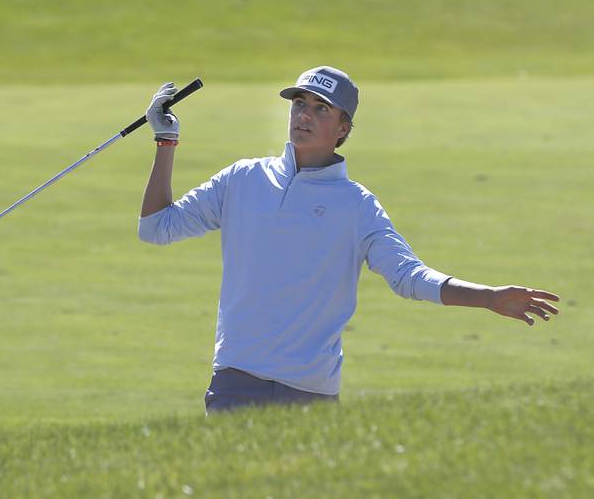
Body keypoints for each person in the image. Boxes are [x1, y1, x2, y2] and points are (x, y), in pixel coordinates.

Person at [138, 66, 560, 414]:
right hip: (234, 383)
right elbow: (156, 227)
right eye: (299, 104)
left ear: (343, 129)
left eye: (321, 109)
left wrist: (487, 298)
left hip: (310, 396)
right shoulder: (242, 179)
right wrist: (166, 141)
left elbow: (408, 276)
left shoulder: (357, 206)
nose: (304, 114)